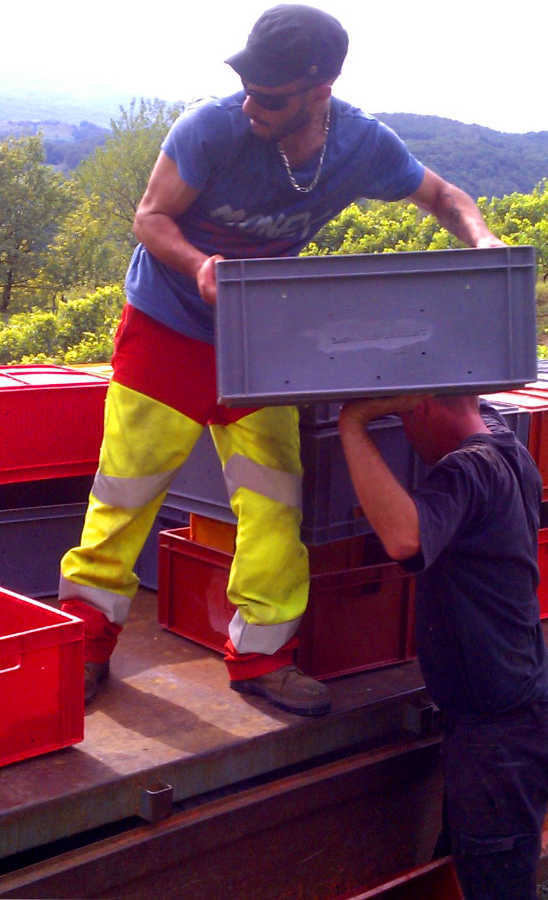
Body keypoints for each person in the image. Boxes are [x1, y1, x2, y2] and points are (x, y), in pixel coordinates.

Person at [59, 3, 505, 713]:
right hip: (167, 329)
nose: (251, 104)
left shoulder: (361, 145)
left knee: (273, 504)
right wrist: (201, 266)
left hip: (261, 342)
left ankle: (262, 660)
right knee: (126, 494)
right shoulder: (211, 127)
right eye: (247, 87)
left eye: (269, 96)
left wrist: (483, 243)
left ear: (320, 91)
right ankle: (84, 646)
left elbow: (444, 196)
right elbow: (149, 218)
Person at [338, 394, 548, 899]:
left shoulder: (471, 468)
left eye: (405, 419)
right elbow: (468, 398)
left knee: (493, 881)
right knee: (469, 863)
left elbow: (403, 537)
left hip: (496, 736)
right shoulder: (506, 444)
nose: (408, 439)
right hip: (508, 716)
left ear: (423, 407)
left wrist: (354, 422)